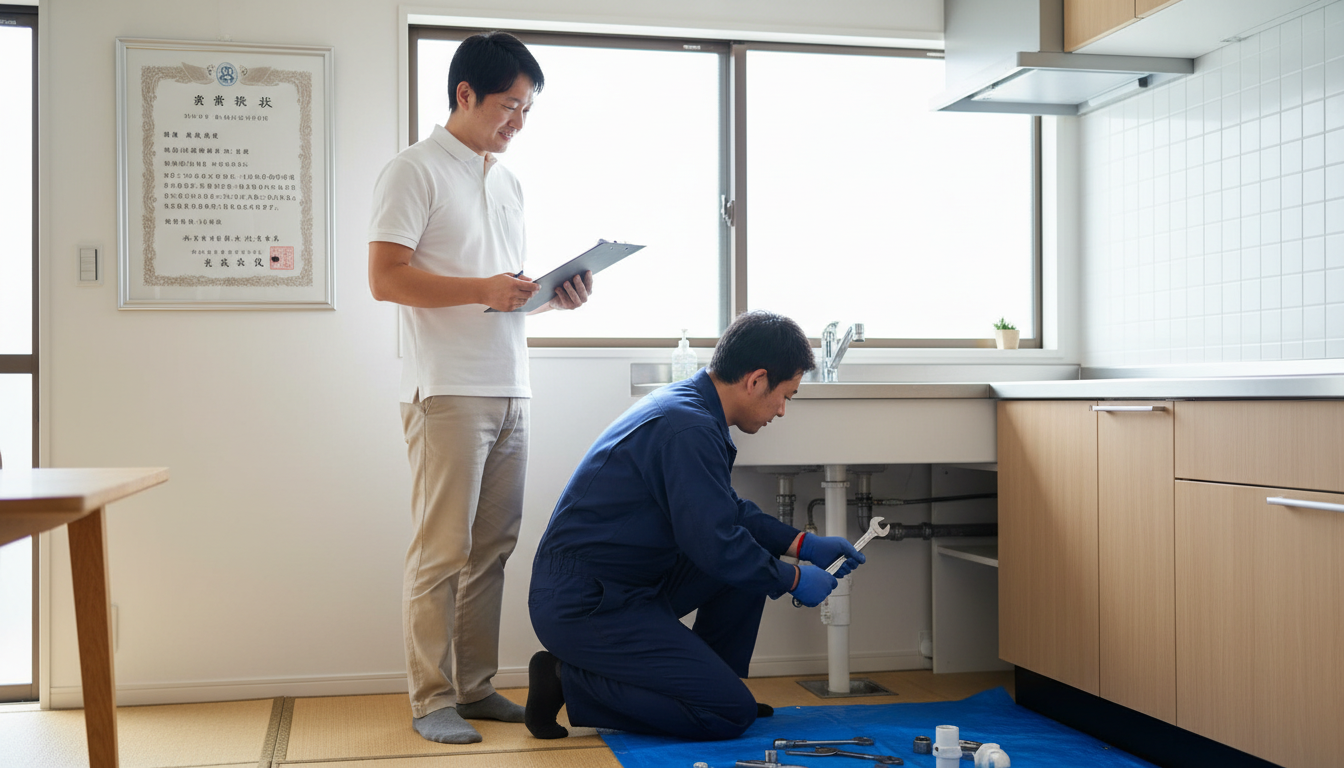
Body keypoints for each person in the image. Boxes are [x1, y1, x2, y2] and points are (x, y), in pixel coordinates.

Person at [367, 31, 593, 745]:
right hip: (446, 390)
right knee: (441, 551)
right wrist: (483, 289)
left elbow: (500, 295)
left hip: (510, 386)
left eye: (527, 110)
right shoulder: (413, 170)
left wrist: (553, 298)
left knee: (494, 546)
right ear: (464, 94)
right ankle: (430, 697)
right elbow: (386, 279)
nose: (518, 123)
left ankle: (473, 686)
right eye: (508, 107)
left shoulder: (507, 180)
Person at [524, 310, 865, 741]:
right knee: (726, 716)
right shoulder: (687, 427)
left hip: (626, 584)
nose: (781, 411)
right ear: (756, 379)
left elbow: (726, 513)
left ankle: (711, 685)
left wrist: (802, 543)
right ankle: (564, 679)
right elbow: (716, 544)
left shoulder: (690, 409)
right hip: (586, 603)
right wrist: (794, 577)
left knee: (746, 572)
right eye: (786, 396)